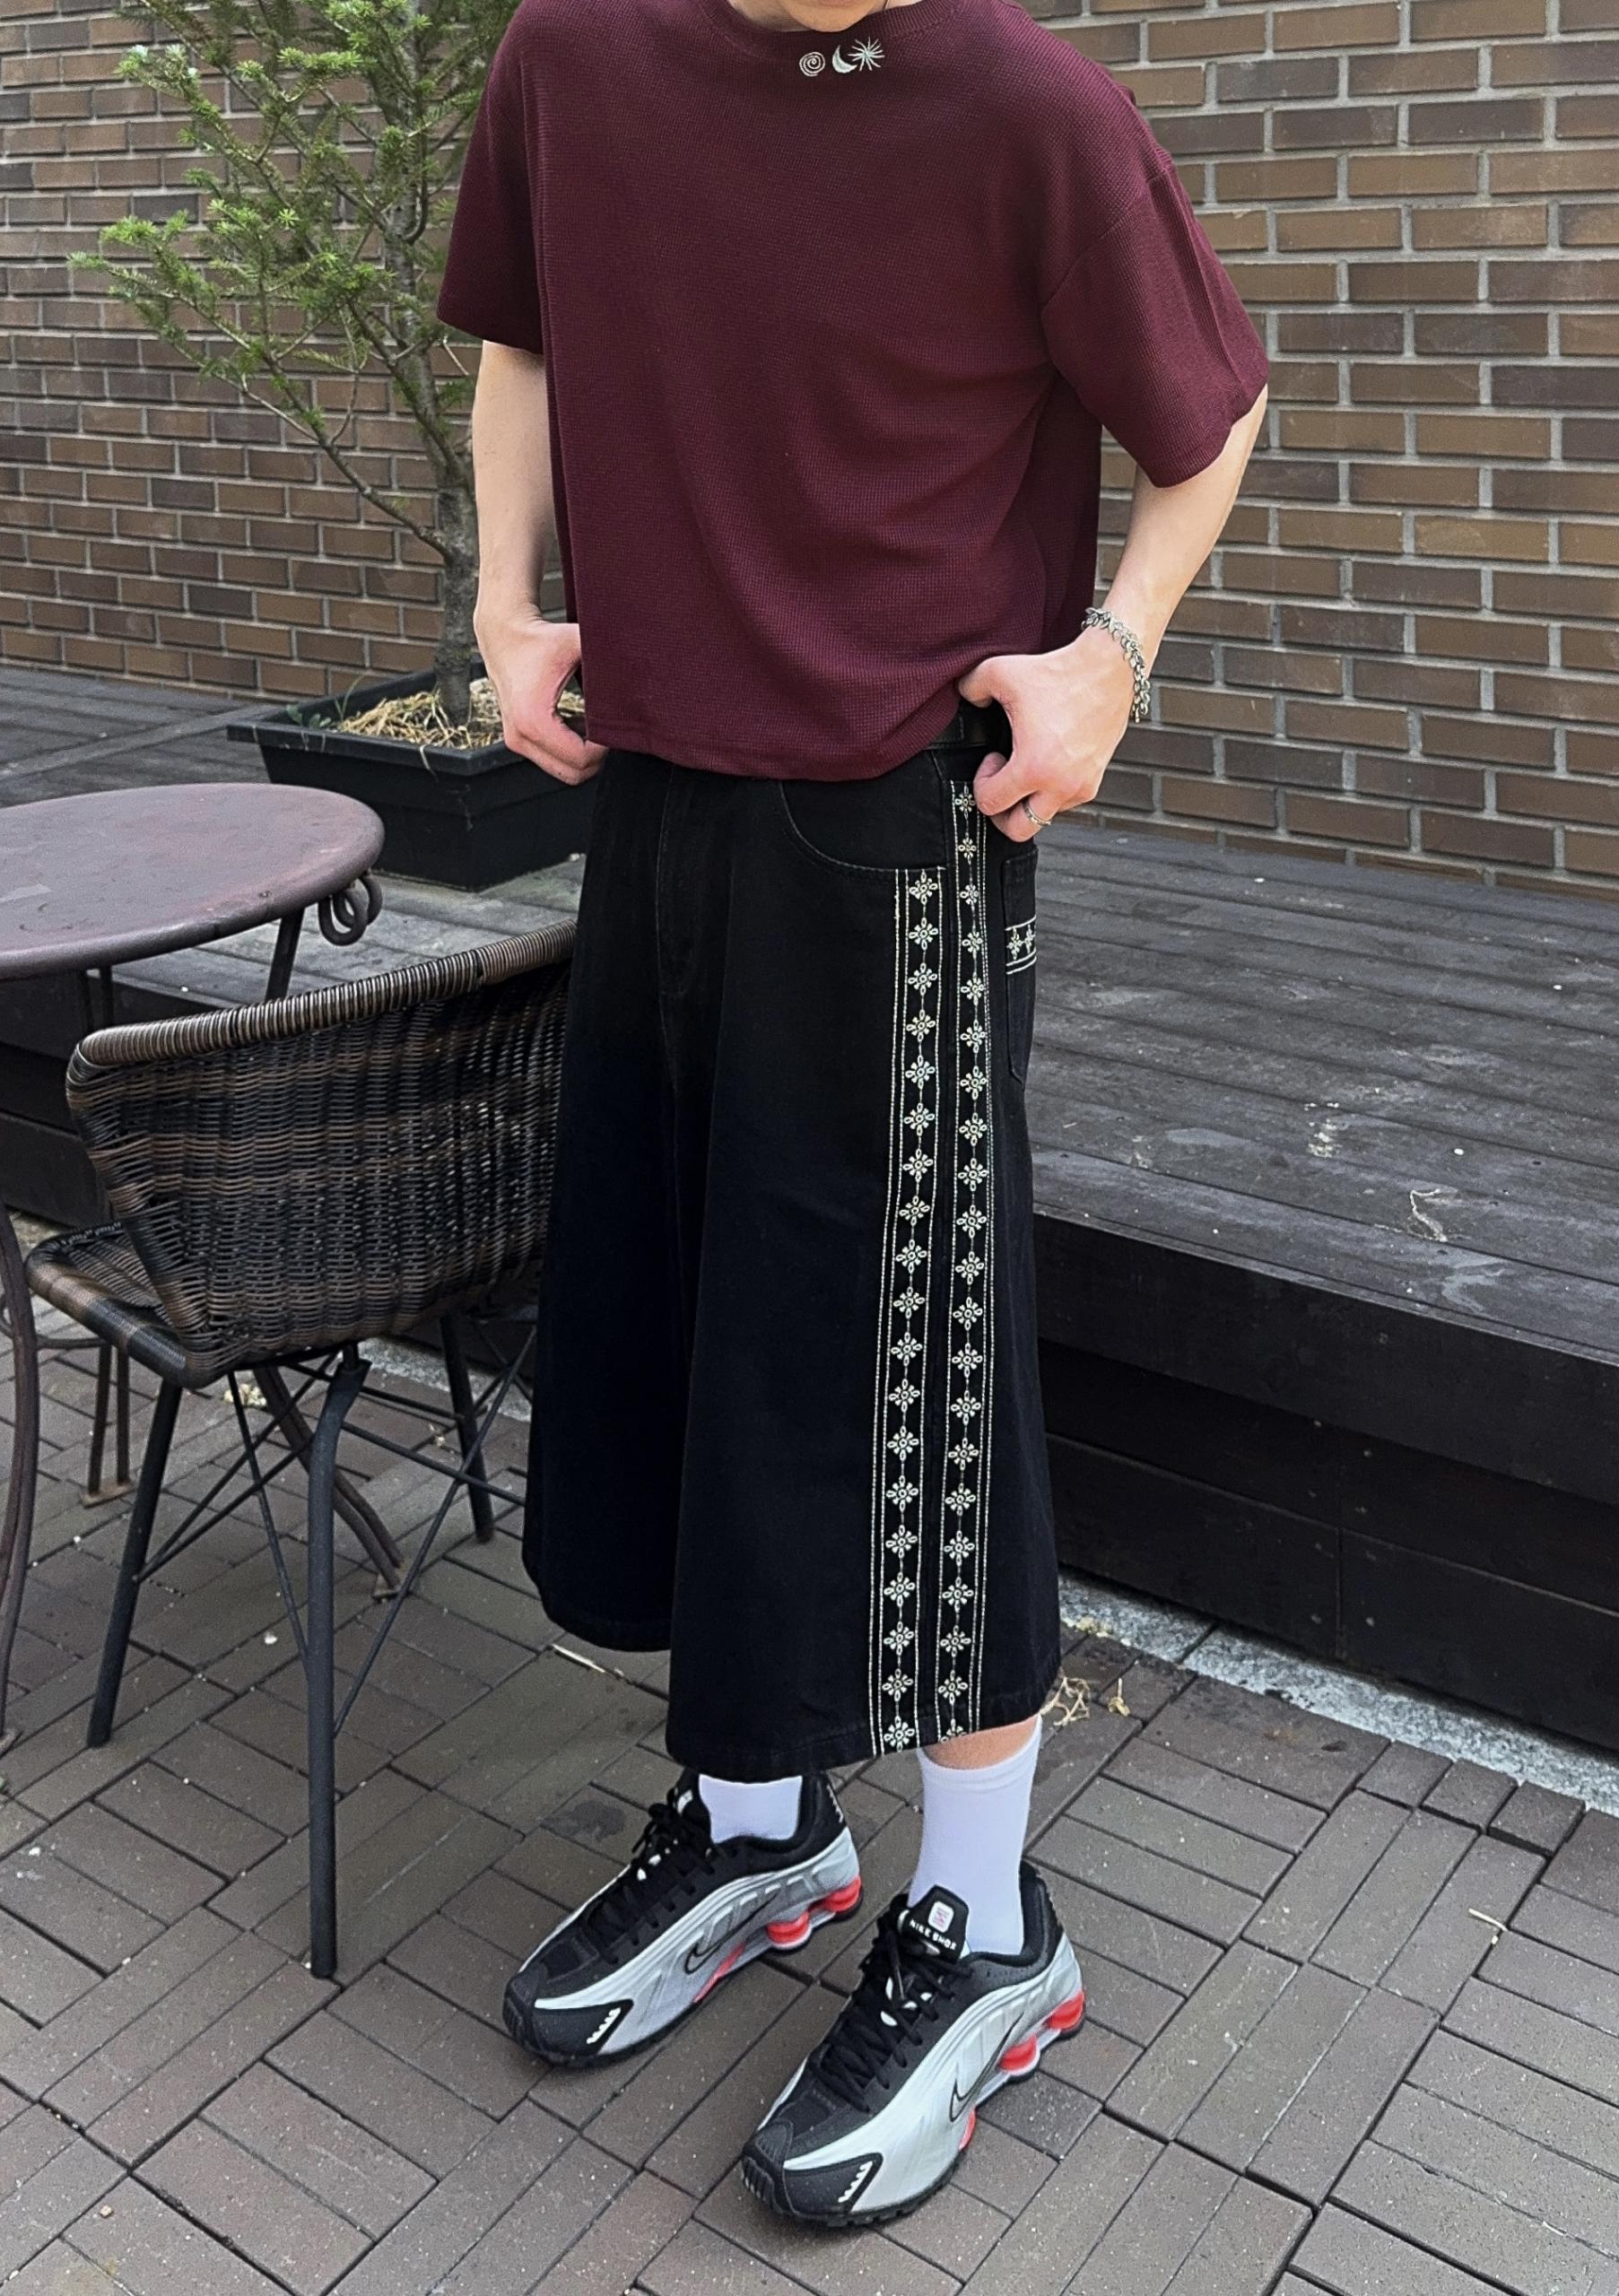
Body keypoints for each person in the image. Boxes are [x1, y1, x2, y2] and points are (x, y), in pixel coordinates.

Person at [436, 0, 1265, 2228]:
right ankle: (756, 1822)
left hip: (907, 828)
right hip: (656, 801)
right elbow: (522, 330)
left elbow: (1209, 417)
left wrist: (1111, 657)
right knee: (690, 1331)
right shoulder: (574, 56)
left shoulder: (1029, 107)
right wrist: (504, 601)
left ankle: (987, 1920)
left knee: (920, 1384)